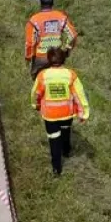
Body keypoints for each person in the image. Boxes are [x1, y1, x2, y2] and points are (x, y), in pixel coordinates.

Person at [30, 46, 89, 176]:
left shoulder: (43, 75)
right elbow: (79, 94)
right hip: (66, 113)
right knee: (66, 131)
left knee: (54, 140)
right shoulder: (71, 75)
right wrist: (83, 112)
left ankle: (57, 168)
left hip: (50, 115)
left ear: (48, 60)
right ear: (64, 59)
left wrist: (36, 105)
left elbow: (36, 93)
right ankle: (67, 151)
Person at [24, 0, 78, 77]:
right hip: (57, 57)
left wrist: (28, 58)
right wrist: (67, 49)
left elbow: (30, 43)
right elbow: (73, 35)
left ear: (41, 4)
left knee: (39, 81)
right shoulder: (61, 17)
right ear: (52, 4)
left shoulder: (34, 20)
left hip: (41, 58)